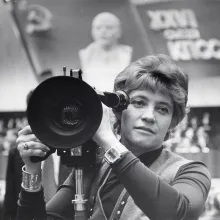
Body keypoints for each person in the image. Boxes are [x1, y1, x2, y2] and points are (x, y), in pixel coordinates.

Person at [16, 54, 211, 220]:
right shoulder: (93, 164)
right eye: (139, 102)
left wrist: (107, 140)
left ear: (173, 121)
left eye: (162, 109)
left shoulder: (191, 171)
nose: (149, 116)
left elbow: (178, 213)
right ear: (119, 110)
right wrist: (32, 169)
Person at [79, 12, 133, 92]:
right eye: (98, 28)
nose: (103, 31)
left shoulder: (126, 53)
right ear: (92, 32)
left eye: (109, 27)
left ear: (119, 32)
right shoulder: (85, 54)